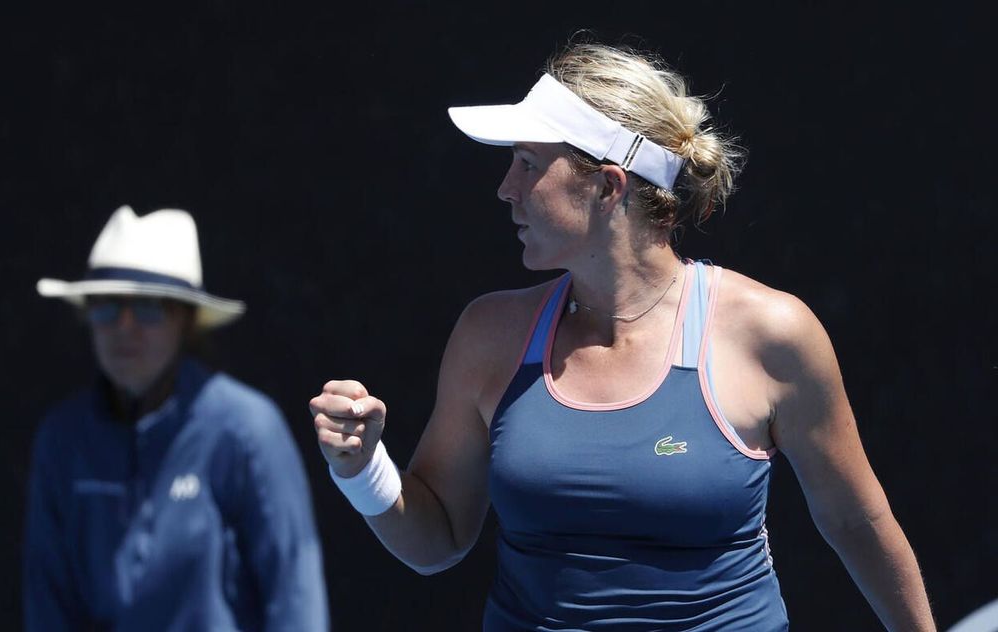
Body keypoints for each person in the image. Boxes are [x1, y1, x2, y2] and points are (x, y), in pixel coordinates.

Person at [309, 41, 935, 631]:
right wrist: (362, 469)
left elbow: (856, 522)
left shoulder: (773, 334)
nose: (506, 189)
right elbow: (437, 540)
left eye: (528, 164)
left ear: (608, 187)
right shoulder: (488, 335)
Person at [25, 205, 329, 630]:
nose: (124, 327)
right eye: (106, 306)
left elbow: (295, 595)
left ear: (186, 320)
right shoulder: (61, 438)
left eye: (148, 307)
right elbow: (46, 603)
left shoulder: (247, 429)